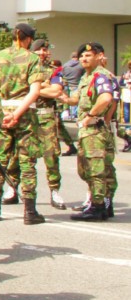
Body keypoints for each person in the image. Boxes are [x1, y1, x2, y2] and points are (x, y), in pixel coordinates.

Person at [0, 23, 49, 223]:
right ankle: (29, 211)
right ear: (28, 38)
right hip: (25, 114)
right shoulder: (32, 59)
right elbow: (35, 91)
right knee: (27, 161)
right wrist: (17, 113)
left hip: (1, 113)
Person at [64, 42, 118, 220]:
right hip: (87, 131)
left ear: (98, 56)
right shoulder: (86, 77)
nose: (84, 59)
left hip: (95, 130)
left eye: (88, 55)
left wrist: (90, 115)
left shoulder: (100, 76)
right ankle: (104, 203)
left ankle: (98, 206)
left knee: (95, 170)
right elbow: (75, 99)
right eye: (81, 56)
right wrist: (58, 95)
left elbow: (106, 98)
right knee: (86, 169)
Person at [31, 40, 69, 210]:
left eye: (45, 50)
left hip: (46, 119)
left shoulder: (54, 71)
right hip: (27, 118)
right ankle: (14, 188)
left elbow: (56, 91)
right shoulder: (25, 68)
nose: (44, 53)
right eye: (40, 50)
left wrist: (33, 89)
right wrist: (43, 86)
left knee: (51, 156)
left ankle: (54, 190)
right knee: (22, 157)